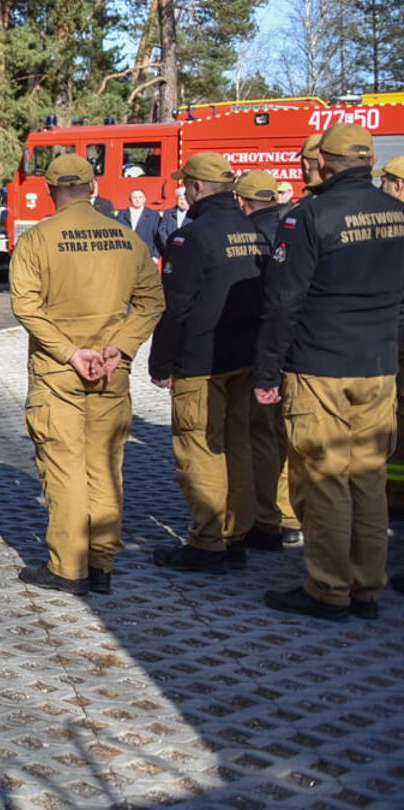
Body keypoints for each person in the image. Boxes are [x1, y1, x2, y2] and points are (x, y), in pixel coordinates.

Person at [255, 123, 404, 619]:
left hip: (320, 367)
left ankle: (328, 588)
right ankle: (366, 587)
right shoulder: (397, 213)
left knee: (324, 478)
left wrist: (267, 372)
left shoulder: (309, 216)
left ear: (323, 163)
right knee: (368, 476)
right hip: (378, 367)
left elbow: (283, 301)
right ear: (369, 161)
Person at [9, 153, 164, 596]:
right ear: (93, 187)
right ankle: (101, 564)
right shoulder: (127, 239)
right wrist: (122, 346)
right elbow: (152, 302)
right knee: (105, 466)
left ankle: (67, 568)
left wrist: (69, 352)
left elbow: (26, 307)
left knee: (65, 468)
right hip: (111, 371)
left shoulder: (37, 240)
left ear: (49, 191)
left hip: (59, 373)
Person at [146, 153, 274, 572]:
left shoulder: (191, 238)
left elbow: (176, 309)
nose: (183, 191)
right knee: (236, 446)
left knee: (200, 448)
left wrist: (161, 363)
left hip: (201, 363)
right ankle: (235, 535)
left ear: (197, 187)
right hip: (244, 358)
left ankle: (206, 543)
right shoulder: (254, 231)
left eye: (186, 184)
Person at [234, 170, 304, 550]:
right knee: (285, 435)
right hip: (298, 349)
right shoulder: (292, 229)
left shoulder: (249, 236)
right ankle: (290, 514)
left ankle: (266, 517)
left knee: (261, 434)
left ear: (241, 201)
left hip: (261, 350)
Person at [118, 189, 162, 258]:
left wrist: (155, 256)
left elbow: (158, 236)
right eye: (134, 197)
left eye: (140, 197)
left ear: (144, 199)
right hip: (126, 255)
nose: (137, 200)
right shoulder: (122, 214)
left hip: (147, 255)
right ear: (130, 199)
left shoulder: (153, 215)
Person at [154, 186, 192, 255]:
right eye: (181, 199)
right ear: (177, 200)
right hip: (170, 250)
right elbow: (161, 231)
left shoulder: (193, 214)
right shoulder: (168, 213)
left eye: (185, 199)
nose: (183, 202)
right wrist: (169, 245)